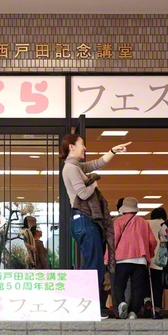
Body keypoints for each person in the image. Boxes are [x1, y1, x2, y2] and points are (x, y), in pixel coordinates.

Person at [60, 133, 130, 320]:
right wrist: (94, 184)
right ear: (71, 147)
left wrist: (113, 151)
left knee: (95, 264)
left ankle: (90, 307)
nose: (85, 148)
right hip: (84, 219)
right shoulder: (71, 168)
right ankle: (89, 308)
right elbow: (82, 194)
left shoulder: (76, 166)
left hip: (84, 220)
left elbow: (96, 164)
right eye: (82, 144)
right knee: (94, 266)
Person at [107, 197, 156, 319]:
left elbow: (113, 241)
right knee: (138, 287)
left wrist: (107, 256)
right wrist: (150, 254)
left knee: (119, 285)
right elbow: (152, 241)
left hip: (122, 258)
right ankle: (133, 312)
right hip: (140, 259)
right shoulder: (144, 223)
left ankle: (121, 303)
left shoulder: (118, 221)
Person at [146, 207, 168, 319]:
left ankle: (146, 303)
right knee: (158, 286)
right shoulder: (166, 224)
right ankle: (157, 308)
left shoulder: (146, 223)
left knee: (145, 284)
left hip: (147, 259)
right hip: (161, 261)